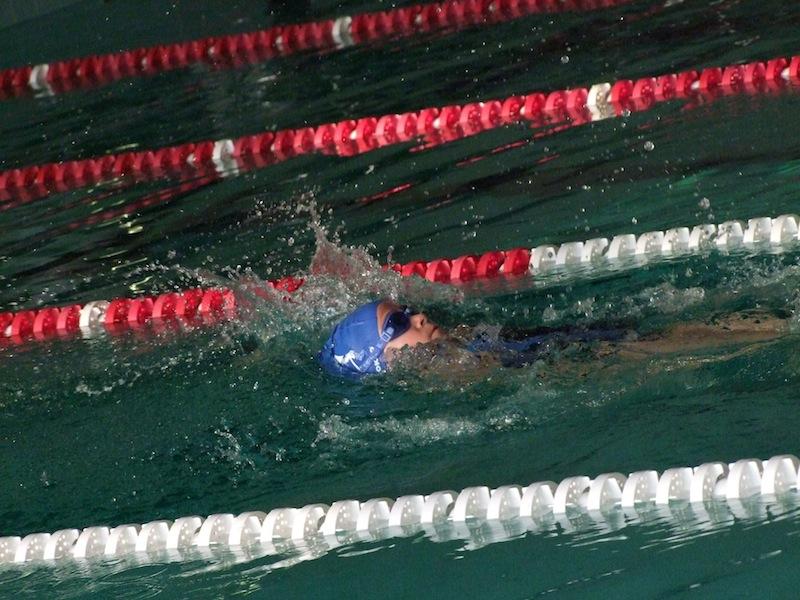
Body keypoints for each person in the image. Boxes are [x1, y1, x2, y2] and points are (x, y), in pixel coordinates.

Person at [319, 298, 791, 380]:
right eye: (398, 324)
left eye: (406, 310)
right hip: (555, 362)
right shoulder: (433, 377)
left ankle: (780, 322)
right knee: (655, 345)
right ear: (380, 358)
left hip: (542, 343)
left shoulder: (450, 348)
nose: (418, 316)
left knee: (658, 331)